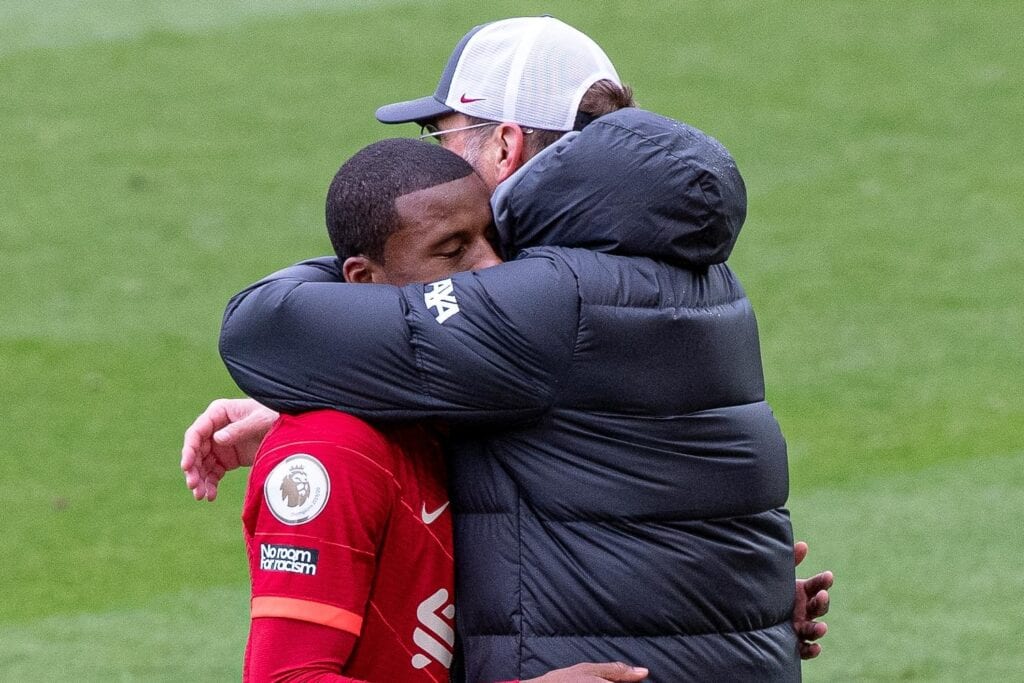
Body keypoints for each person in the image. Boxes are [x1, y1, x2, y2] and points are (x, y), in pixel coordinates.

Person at [187, 16, 832, 681]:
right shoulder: (693, 274)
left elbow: (263, 327)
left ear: (505, 144)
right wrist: (742, 598)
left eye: (441, 136)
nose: (433, 158)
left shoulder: (545, 300)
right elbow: (631, 473)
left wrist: (383, 267)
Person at [237, 137, 649, 683]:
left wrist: (731, 600)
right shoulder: (329, 453)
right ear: (365, 281)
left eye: (492, 238)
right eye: (452, 251)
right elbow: (286, 679)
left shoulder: (462, 412)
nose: (493, 266)